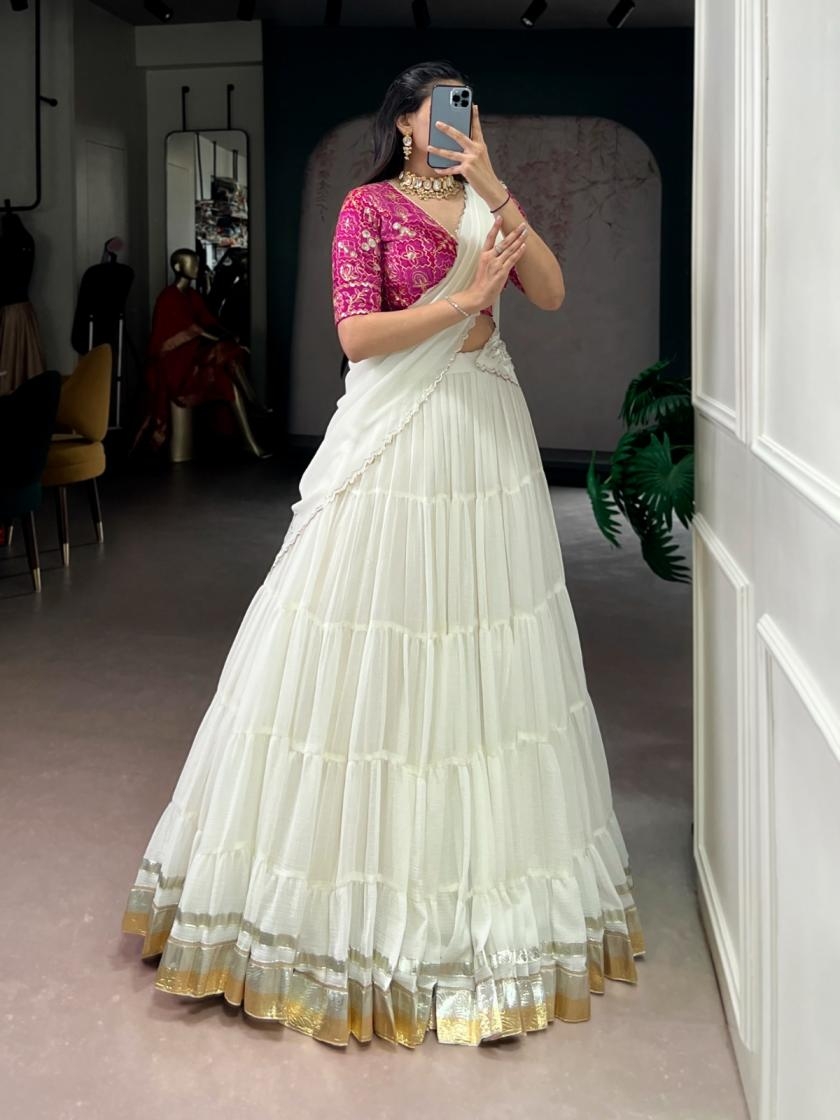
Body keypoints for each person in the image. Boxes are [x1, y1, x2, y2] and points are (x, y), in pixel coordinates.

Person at [121, 60, 645, 1048]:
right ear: (404, 122)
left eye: (469, 108)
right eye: (441, 109)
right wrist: (463, 300)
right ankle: (344, 905)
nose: (458, 122)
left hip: (483, 437)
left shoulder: (486, 202)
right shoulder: (367, 208)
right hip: (399, 433)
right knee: (372, 633)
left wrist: (494, 189)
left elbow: (550, 290)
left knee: (480, 640)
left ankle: (476, 884)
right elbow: (358, 337)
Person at [130, 249, 271, 459]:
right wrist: (219, 339)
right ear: (178, 267)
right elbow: (186, 331)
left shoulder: (193, 296)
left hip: (194, 358)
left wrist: (228, 336)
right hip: (174, 365)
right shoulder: (168, 297)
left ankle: (251, 440)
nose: (197, 268)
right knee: (225, 352)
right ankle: (255, 405)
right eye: (193, 263)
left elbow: (208, 321)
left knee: (228, 379)